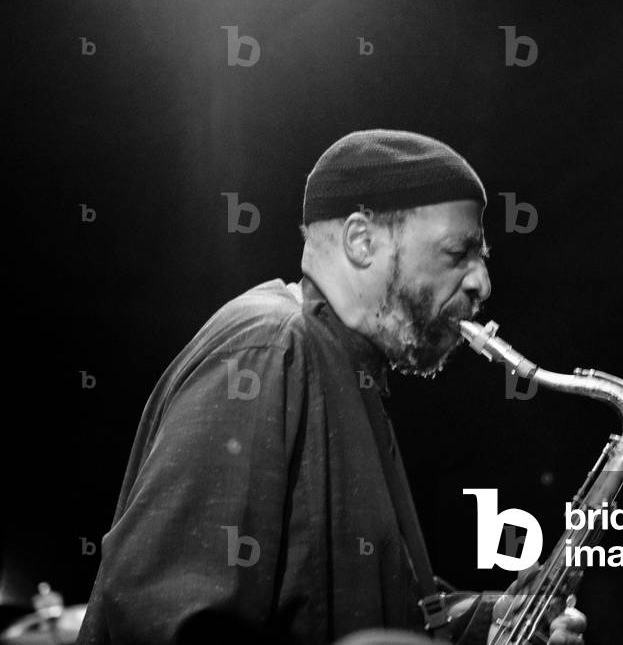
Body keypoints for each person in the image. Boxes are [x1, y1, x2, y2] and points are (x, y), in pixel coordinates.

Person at [76, 130, 587, 645]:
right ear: (362, 240)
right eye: (459, 252)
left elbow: (368, 614)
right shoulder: (269, 350)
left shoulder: (340, 366)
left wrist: (491, 622)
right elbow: (160, 624)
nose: (483, 283)